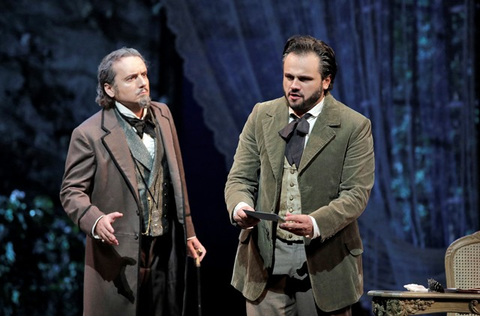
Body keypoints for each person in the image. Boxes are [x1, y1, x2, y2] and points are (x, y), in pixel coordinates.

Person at [224, 35, 375, 316]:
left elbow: (356, 194)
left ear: (326, 81)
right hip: (264, 263)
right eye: (288, 76)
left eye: (304, 79)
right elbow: (240, 178)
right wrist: (240, 207)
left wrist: (316, 223)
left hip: (324, 263)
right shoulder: (262, 115)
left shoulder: (353, 126)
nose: (293, 86)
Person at [60, 47, 206, 316]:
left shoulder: (163, 115)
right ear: (110, 89)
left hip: (165, 247)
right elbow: (71, 192)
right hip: (121, 250)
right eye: (131, 78)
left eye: (144, 74)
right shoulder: (89, 133)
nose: (142, 83)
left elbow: (176, 177)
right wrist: (95, 220)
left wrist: (189, 231)